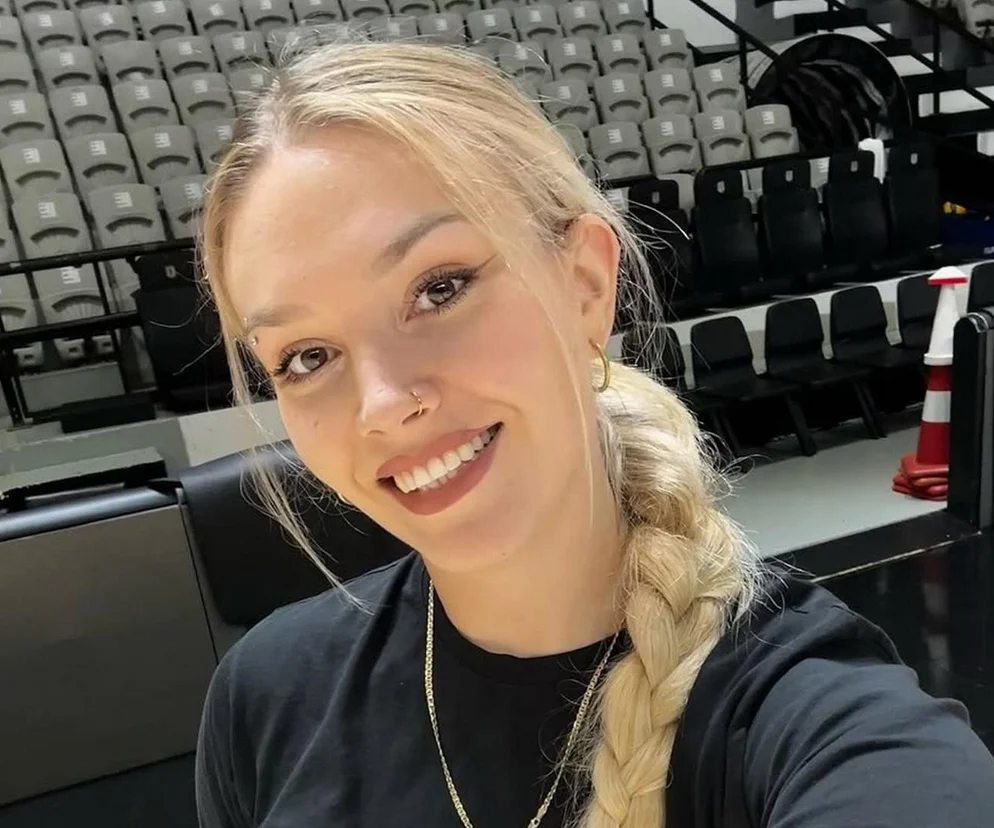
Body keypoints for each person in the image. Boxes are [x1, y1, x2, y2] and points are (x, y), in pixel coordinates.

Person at [195, 37, 994, 828]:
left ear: (584, 281)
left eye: (438, 289)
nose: (380, 404)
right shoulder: (263, 699)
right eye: (305, 357)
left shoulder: (804, 717)